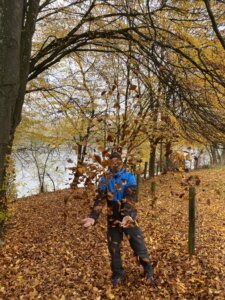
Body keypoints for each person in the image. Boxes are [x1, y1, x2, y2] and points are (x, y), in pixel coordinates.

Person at [82, 152, 155, 287]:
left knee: (138, 244)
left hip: (129, 215)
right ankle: (118, 275)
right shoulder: (105, 179)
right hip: (112, 216)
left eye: (117, 161)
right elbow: (99, 200)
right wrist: (93, 217)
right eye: (112, 162)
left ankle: (148, 272)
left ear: (121, 163)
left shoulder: (129, 176)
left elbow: (130, 197)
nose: (115, 164)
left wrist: (127, 215)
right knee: (114, 248)